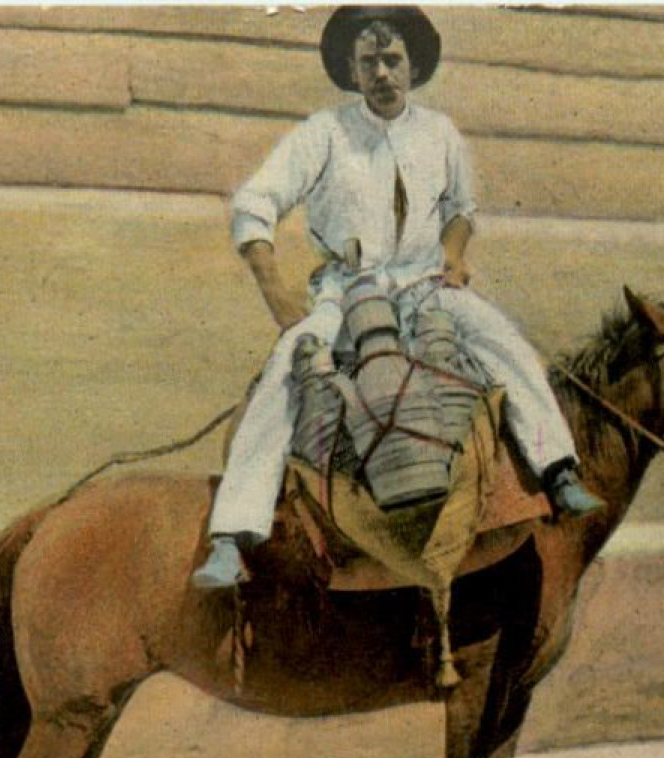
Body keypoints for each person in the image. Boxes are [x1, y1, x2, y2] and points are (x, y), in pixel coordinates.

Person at [193, 5, 603, 589]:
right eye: (369, 63)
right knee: (289, 366)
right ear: (352, 72)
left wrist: (455, 256)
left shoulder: (440, 132)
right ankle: (231, 537)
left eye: (392, 60)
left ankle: (557, 470)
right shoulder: (324, 133)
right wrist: (278, 296)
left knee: (502, 341)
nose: (382, 73)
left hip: (424, 285)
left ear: (411, 66)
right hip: (347, 291)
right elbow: (253, 205)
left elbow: (460, 210)